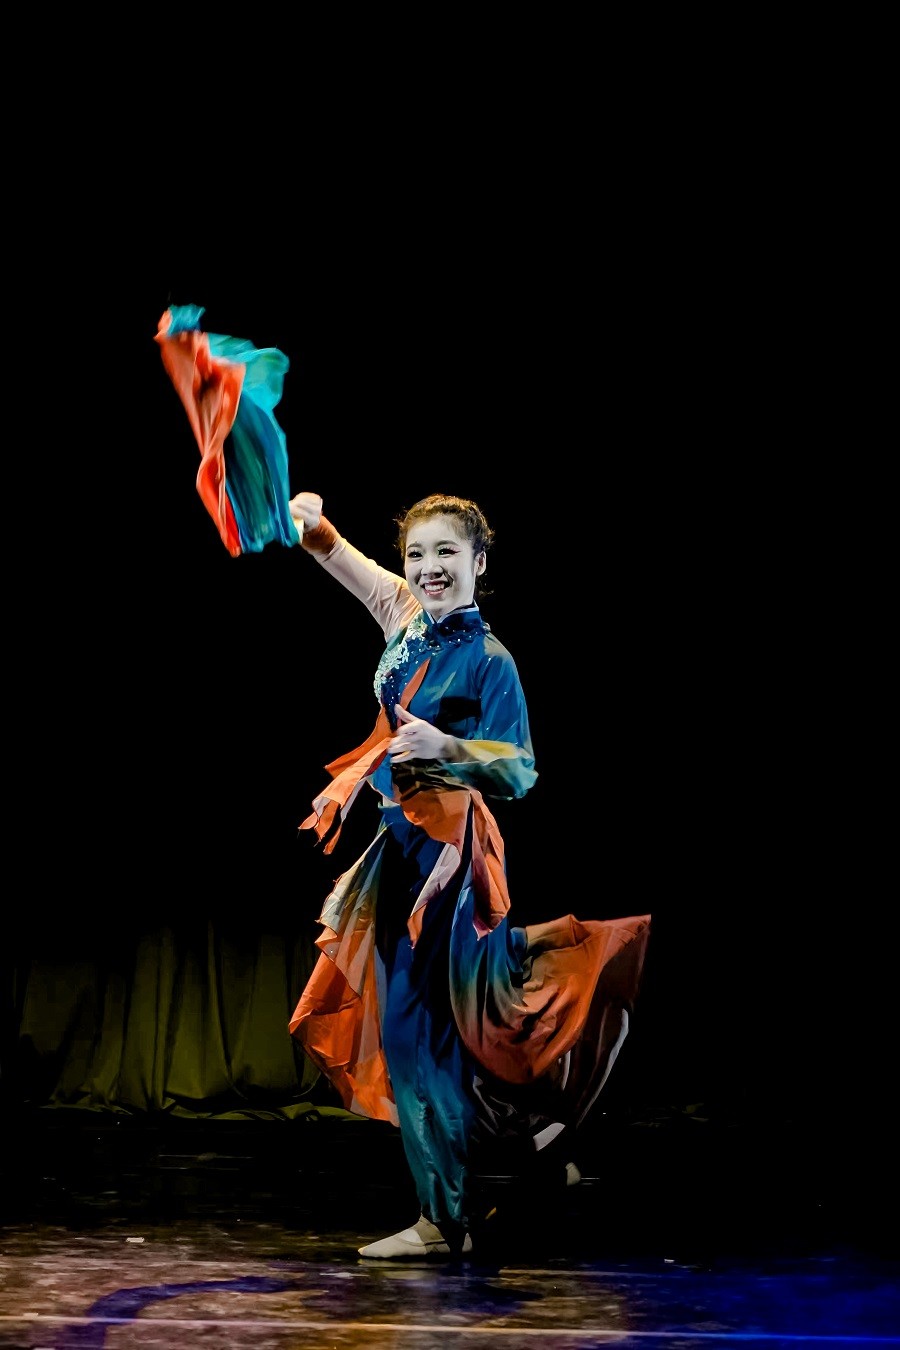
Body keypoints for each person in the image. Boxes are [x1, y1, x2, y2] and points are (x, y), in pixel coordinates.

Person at [287, 490, 651, 1260]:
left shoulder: (491, 662)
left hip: (449, 860)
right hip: (399, 845)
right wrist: (312, 523)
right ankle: (538, 1145)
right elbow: (341, 560)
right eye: (417, 554)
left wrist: (448, 748)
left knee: (417, 1035)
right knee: (461, 1024)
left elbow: (519, 770)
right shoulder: (405, 615)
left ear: (479, 563)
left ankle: (442, 1223)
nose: (428, 568)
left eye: (446, 553)